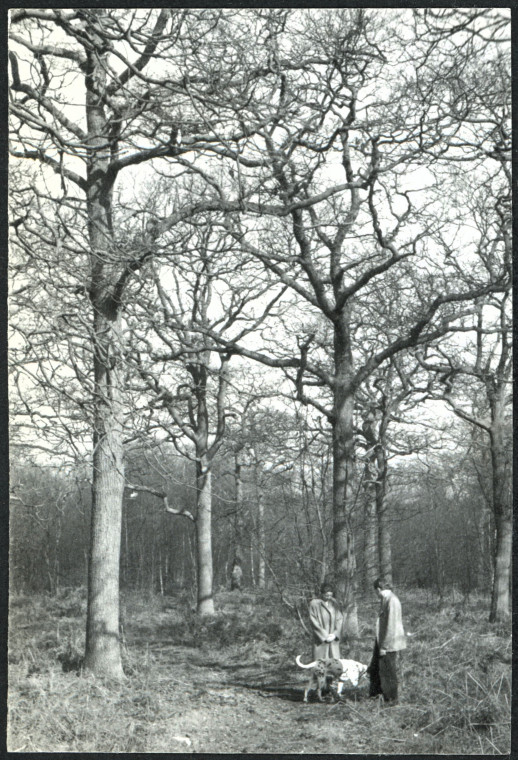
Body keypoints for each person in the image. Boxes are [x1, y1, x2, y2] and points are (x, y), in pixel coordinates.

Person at [367, 578, 406, 705]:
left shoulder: (392, 600)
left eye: (375, 591)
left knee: (388, 671)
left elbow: (391, 626)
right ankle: (376, 695)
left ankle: (391, 700)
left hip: (389, 642)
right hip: (381, 640)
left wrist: (385, 646)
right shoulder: (385, 599)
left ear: (378, 589)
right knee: (376, 668)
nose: (376, 594)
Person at [308, 582, 344, 659]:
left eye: (330, 595)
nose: (328, 597)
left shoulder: (334, 603)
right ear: (321, 593)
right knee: (321, 665)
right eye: (326, 595)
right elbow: (313, 621)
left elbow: (339, 619)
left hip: (333, 640)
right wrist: (324, 635)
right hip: (321, 641)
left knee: (334, 665)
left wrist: (335, 634)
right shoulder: (314, 604)